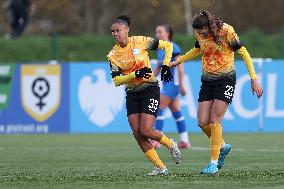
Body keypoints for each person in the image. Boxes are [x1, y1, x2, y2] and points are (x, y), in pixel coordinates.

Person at [171, 10, 263, 175]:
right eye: (197, 32)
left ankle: (213, 164)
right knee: (202, 122)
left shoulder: (226, 31)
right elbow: (197, 50)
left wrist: (254, 78)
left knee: (215, 120)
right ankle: (221, 145)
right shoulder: (199, 34)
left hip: (226, 79)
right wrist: (179, 61)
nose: (199, 34)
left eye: (201, 31)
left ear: (209, 26)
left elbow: (244, 53)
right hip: (207, 80)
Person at [107, 15, 182, 176]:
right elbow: (116, 81)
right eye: (112, 31)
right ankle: (161, 168)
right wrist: (135, 74)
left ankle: (170, 144)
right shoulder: (112, 55)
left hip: (150, 89)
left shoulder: (141, 41)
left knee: (146, 130)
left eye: (118, 30)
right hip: (132, 93)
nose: (115, 34)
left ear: (127, 30)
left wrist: (166, 65)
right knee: (137, 132)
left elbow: (168, 46)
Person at [151, 24, 191, 149]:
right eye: (156, 32)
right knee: (176, 111)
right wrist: (149, 79)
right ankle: (185, 141)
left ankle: (157, 140)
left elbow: (180, 65)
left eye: (159, 32)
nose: (157, 34)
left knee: (159, 109)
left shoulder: (174, 47)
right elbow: (158, 66)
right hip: (167, 84)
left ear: (167, 33)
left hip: (173, 84)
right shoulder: (160, 49)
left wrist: (182, 84)